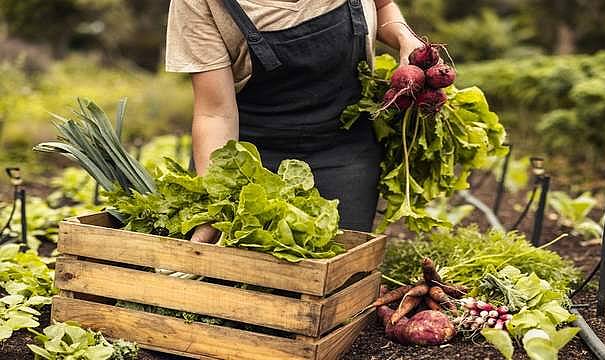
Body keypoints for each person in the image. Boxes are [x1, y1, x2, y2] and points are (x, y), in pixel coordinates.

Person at [165, 0, 423, 243]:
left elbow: (383, 5)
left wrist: (405, 38)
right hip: (251, 164)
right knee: (238, 281)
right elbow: (215, 113)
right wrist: (217, 200)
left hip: (346, 154)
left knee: (339, 277)